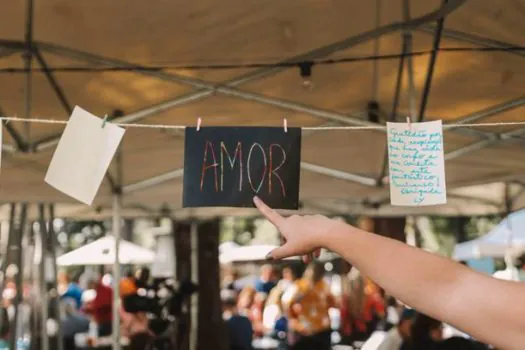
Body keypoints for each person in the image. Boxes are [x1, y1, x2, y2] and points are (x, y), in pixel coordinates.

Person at [252, 196, 525, 349]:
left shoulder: (303, 289)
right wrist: (328, 232)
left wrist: (329, 232)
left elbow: (452, 289)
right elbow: (451, 289)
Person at [284, 261, 334, 350]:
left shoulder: (323, 286)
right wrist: (293, 320)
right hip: (303, 330)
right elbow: (286, 303)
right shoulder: (299, 286)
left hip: (321, 330)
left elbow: (332, 303)